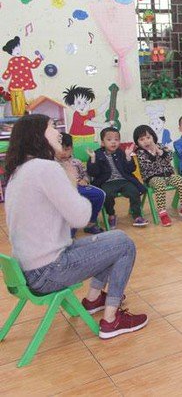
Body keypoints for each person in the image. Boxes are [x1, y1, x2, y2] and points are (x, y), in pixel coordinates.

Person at [5, 114, 147, 338]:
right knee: (124, 245)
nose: (58, 133)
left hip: (28, 270)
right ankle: (111, 320)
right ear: (38, 135)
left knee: (114, 239)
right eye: (52, 127)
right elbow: (81, 218)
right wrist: (71, 181)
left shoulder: (19, 171)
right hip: (49, 271)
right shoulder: (45, 168)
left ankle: (93, 300)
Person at [87, 128, 148, 229]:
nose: (113, 142)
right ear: (102, 142)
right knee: (106, 194)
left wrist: (128, 157)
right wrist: (93, 159)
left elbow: (131, 169)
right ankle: (111, 215)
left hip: (124, 180)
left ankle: (137, 216)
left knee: (134, 191)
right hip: (107, 182)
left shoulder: (121, 153)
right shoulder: (97, 154)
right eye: (109, 139)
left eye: (116, 139)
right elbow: (93, 173)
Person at [133, 125, 182, 227]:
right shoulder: (140, 153)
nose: (146, 141)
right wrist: (153, 153)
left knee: (181, 182)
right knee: (160, 185)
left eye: (148, 138)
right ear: (137, 142)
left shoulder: (160, 146)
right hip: (152, 178)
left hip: (168, 175)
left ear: (153, 137)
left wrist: (160, 152)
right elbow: (148, 166)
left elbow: (169, 158)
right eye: (142, 139)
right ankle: (163, 213)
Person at [55, 133, 104, 235]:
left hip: (80, 187)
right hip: (63, 190)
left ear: (72, 149)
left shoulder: (76, 162)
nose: (63, 152)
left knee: (99, 194)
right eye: (60, 149)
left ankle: (90, 223)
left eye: (67, 149)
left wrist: (85, 180)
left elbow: (85, 174)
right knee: (71, 200)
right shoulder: (52, 164)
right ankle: (70, 228)